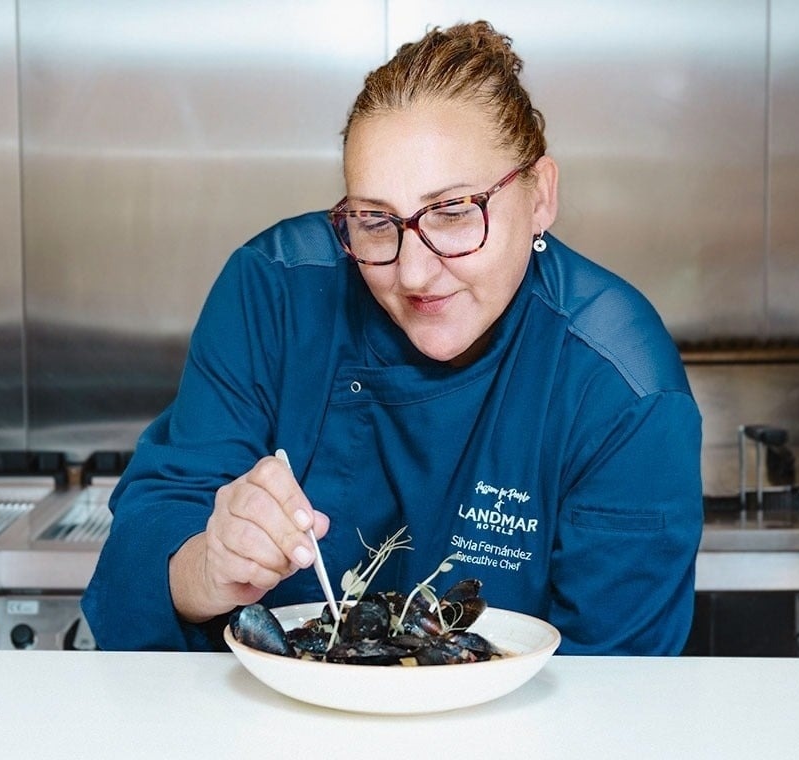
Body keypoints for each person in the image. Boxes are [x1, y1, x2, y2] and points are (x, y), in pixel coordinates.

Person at [81, 20, 703, 655]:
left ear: (540, 196)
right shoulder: (273, 293)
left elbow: (617, 687)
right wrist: (210, 566)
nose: (412, 272)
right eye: (375, 221)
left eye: (455, 212)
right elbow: (153, 535)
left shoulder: (621, 382)